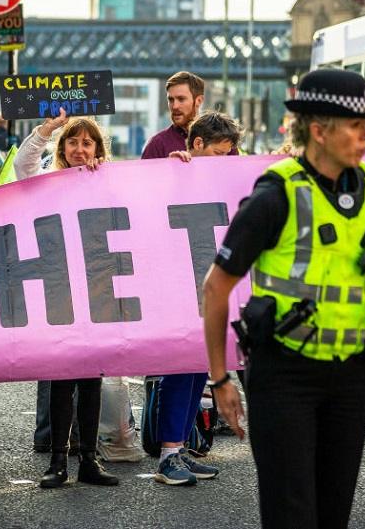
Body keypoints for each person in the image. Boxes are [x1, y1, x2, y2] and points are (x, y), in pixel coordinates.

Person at [203, 69, 365, 529]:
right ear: (320, 130)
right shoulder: (276, 194)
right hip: (284, 373)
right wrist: (220, 378)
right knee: (292, 515)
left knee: (333, 514)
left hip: (353, 373)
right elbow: (215, 287)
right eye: (355, 124)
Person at [14, 108, 120, 489]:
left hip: (96, 286)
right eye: (72, 141)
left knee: (91, 377)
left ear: (97, 149)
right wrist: (46, 129)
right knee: (62, 375)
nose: (79, 148)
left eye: (86, 142)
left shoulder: (108, 180)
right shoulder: (49, 179)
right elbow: (22, 167)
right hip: (59, 285)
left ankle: (88, 459)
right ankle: (58, 459)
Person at [152, 111, 243, 486]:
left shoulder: (219, 174)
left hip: (204, 284)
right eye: (220, 153)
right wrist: (173, 170)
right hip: (177, 286)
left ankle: (181, 449)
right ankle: (168, 455)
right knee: (179, 368)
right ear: (198, 144)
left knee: (195, 368)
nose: (227, 161)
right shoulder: (176, 169)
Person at [141, 71, 206, 159]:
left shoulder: (220, 141)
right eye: (171, 100)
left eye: (181, 99)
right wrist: (169, 166)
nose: (174, 106)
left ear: (199, 100)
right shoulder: (157, 145)